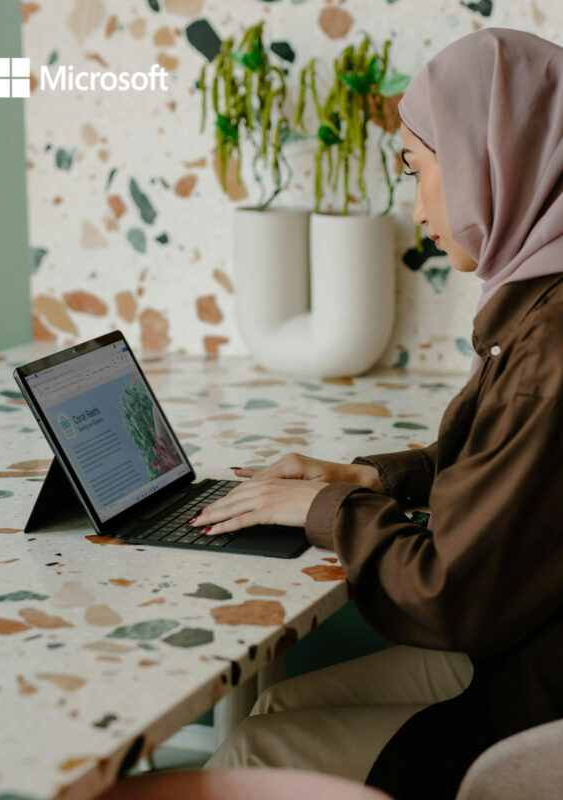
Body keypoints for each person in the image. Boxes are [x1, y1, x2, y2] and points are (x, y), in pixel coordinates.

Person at [188, 27, 563, 799]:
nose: (414, 198)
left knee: (254, 752)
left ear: (492, 159)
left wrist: (328, 507)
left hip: (531, 696)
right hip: (526, 634)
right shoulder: (537, 303)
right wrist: (366, 474)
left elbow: (442, 592)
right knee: (279, 703)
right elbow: (511, 470)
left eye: (416, 166)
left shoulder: (550, 340)